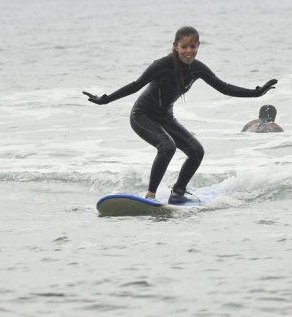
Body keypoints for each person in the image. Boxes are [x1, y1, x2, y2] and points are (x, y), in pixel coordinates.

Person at [83, 26, 278, 204]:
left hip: (165, 117)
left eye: (193, 46)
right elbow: (135, 85)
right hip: (142, 115)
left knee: (196, 151)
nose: (188, 51)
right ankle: (150, 196)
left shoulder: (197, 68)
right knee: (167, 146)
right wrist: (105, 100)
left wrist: (256, 92)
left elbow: (224, 88)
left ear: (198, 46)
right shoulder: (162, 65)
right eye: (184, 46)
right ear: (175, 46)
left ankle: (178, 193)